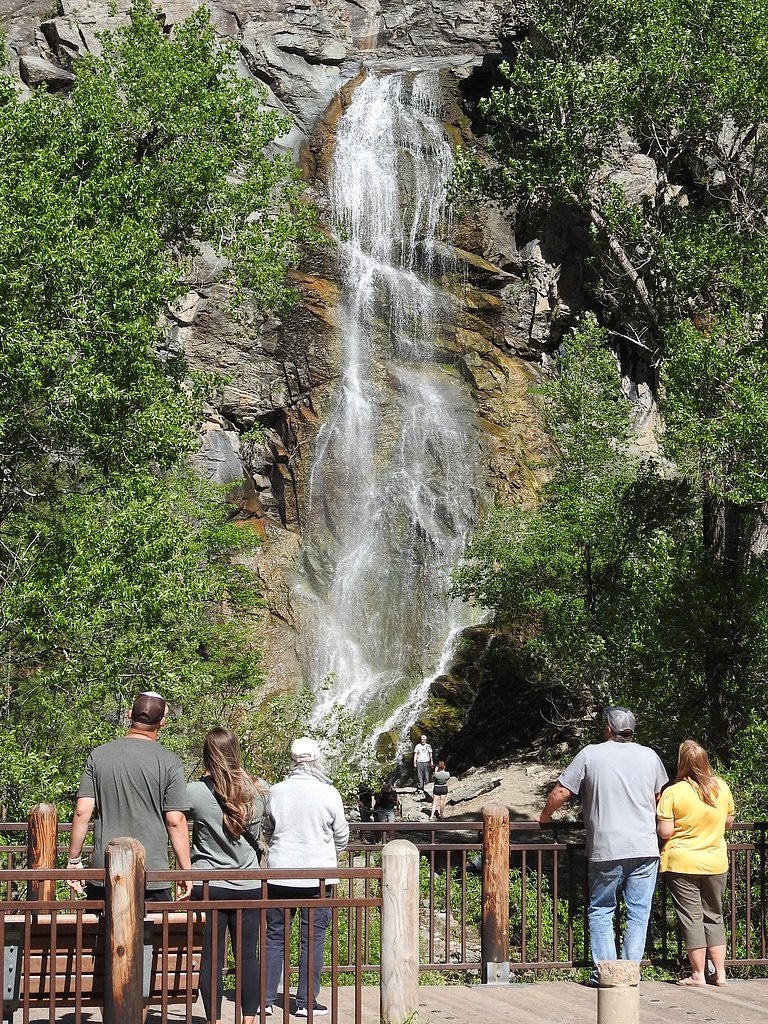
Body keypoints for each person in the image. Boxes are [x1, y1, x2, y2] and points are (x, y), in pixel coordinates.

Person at [537, 706, 668, 985]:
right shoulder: (650, 756)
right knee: (638, 912)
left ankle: (606, 974)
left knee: (601, 909)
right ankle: (630, 972)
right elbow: (660, 797)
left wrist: (544, 817)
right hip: (645, 846)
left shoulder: (590, 754)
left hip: (607, 847)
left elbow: (562, 791)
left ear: (608, 728)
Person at [66, 691, 192, 902]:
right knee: (154, 925)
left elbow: (82, 811)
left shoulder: (99, 755)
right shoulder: (170, 762)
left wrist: (73, 860)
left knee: (101, 924)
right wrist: (185, 872)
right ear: (162, 722)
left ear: (129, 714)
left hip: (105, 872)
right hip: (152, 873)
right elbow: (175, 820)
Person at [186, 727, 269, 1024]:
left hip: (208, 885)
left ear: (207, 755)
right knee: (248, 957)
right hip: (249, 885)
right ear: (236, 752)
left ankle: (214, 1021)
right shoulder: (259, 789)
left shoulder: (194, 792)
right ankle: (248, 1020)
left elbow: (171, 818)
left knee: (211, 957)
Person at [262, 737, 349, 1017]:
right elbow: (342, 834)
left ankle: (265, 1000)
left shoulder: (276, 791)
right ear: (317, 760)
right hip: (318, 877)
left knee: (274, 936)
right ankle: (305, 1002)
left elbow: (267, 829)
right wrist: (327, 851)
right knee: (312, 940)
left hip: (279, 874)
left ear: (292, 760)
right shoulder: (329, 793)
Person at [656, 739, 734, 987]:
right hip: (715, 862)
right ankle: (720, 974)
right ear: (705, 761)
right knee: (714, 916)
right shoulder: (721, 787)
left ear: (682, 763)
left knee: (692, 918)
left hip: (682, 863)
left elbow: (665, 831)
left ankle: (698, 974)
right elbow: (728, 822)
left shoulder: (673, 792)